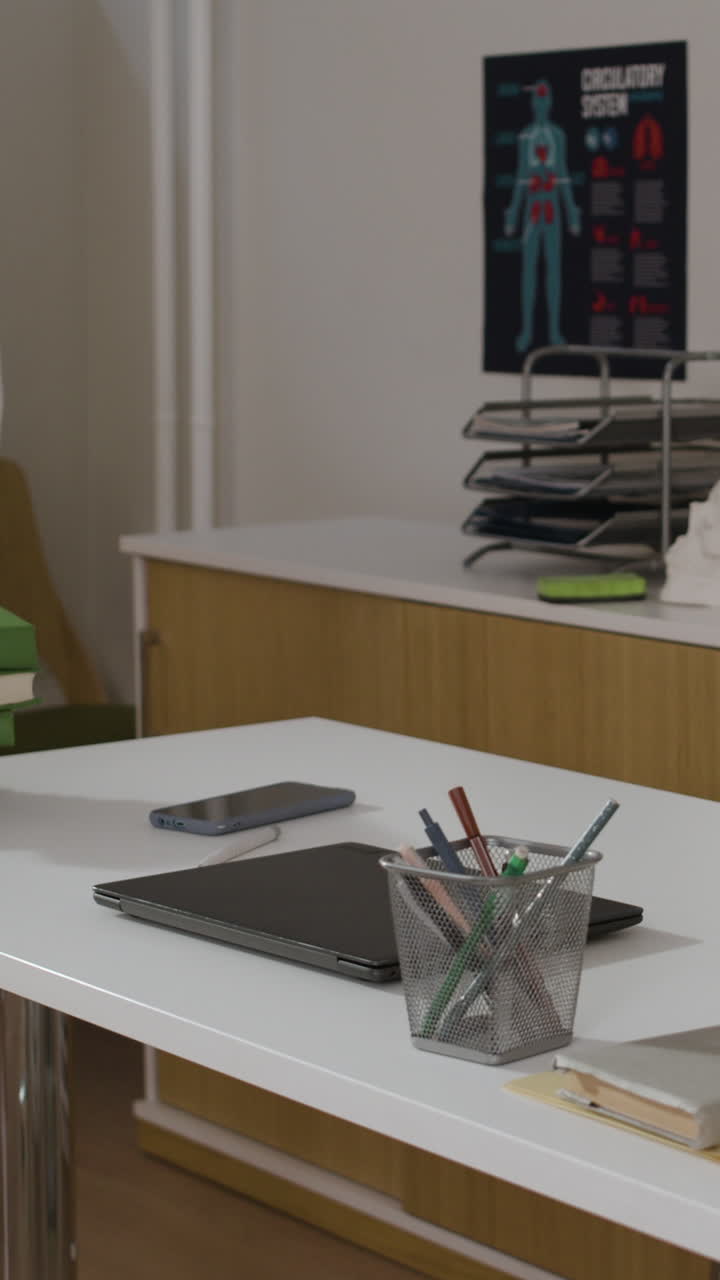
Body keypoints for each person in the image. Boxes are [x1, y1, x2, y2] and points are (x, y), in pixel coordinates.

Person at [504, 80, 581, 353]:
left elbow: (562, 174)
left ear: (549, 103)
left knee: (553, 270)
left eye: (542, 100)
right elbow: (521, 176)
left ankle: (553, 330)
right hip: (532, 207)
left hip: (551, 207)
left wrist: (571, 212)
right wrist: (513, 212)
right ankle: (526, 329)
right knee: (528, 272)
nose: (538, 105)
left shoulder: (557, 136)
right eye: (534, 100)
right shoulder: (525, 136)